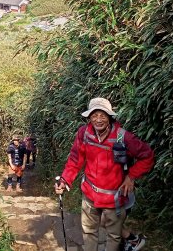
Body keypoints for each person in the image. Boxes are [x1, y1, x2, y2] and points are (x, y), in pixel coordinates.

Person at [54, 97, 154, 251]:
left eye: (103, 115)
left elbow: (147, 156)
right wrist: (64, 180)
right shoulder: (84, 133)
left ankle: (130, 240)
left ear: (110, 117)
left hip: (113, 197)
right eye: (94, 115)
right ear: (89, 117)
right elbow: (75, 159)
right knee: (88, 232)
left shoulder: (122, 137)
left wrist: (131, 176)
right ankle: (131, 240)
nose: (98, 120)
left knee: (113, 236)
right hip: (89, 193)